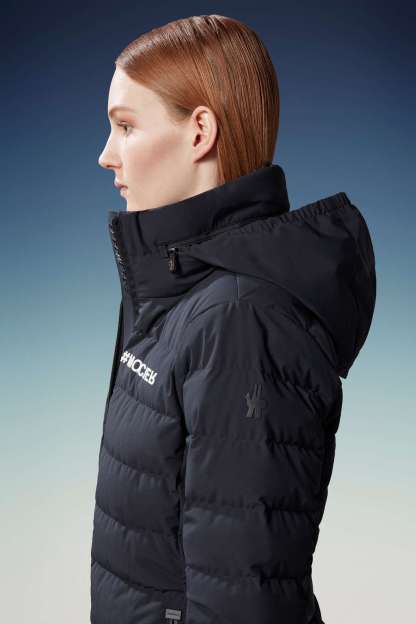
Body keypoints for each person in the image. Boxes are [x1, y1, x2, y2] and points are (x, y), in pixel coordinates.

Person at [91, 14, 376, 624]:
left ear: (200, 132)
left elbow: (244, 599)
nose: (106, 156)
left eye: (126, 126)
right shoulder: (179, 290)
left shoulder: (243, 320)